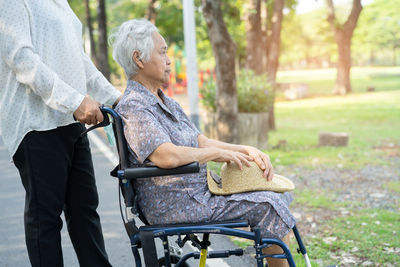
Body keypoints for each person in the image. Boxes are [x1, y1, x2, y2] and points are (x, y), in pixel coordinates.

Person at [112, 19, 295, 267]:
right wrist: (215, 154)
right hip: (175, 204)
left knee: (273, 192)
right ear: (139, 59)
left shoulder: (165, 101)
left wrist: (244, 149)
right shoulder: (134, 105)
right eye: (163, 52)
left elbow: (202, 140)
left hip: (196, 195)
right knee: (267, 205)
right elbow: (166, 156)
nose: (169, 60)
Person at [0, 1, 121, 266]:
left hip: (71, 122)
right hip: (36, 124)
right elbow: (22, 59)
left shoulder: (60, 3)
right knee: (45, 219)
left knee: (84, 211)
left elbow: (80, 61)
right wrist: (75, 101)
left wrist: (118, 100)